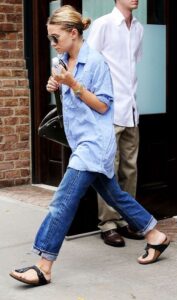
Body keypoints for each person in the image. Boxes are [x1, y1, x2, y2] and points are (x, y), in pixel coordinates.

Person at [9, 5, 170, 286]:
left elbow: (104, 104)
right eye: (50, 38)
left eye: (55, 37)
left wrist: (73, 84)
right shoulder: (62, 59)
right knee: (115, 196)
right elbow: (68, 99)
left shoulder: (95, 62)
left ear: (73, 33)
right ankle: (155, 235)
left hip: (94, 144)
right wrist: (55, 84)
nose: (53, 43)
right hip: (80, 141)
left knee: (62, 202)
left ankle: (43, 266)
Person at [87, 0, 144, 247]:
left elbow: (132, 68)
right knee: (109, 167)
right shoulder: (103, 25)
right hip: (109, 111)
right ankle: (108, 224)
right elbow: (88, 63)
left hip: (131, 109)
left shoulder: (139, 28)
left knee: (130, 168)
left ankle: (127, 219)